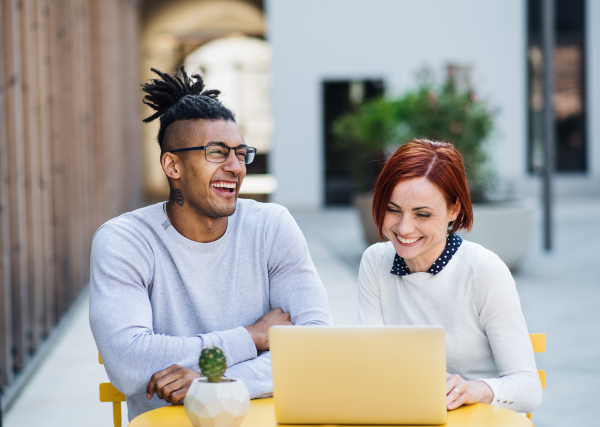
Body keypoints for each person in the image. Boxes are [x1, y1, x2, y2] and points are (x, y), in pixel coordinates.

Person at [89, 66, 332, 420]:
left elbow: (316, 347)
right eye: (217, 152)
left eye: (240, 152)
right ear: (173, 165)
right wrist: (253, 336)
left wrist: (218, 381)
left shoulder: (271, 226)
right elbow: (128, 361)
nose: (235, 166)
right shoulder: (125, 240)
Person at [357, 139, 542, 414]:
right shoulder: (375, 261)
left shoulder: (484, 271)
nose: (404, 228)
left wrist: (475, 389)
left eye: (422, 214)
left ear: (453, 209)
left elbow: (528, 387)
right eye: (393, 209)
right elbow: (371, 363)